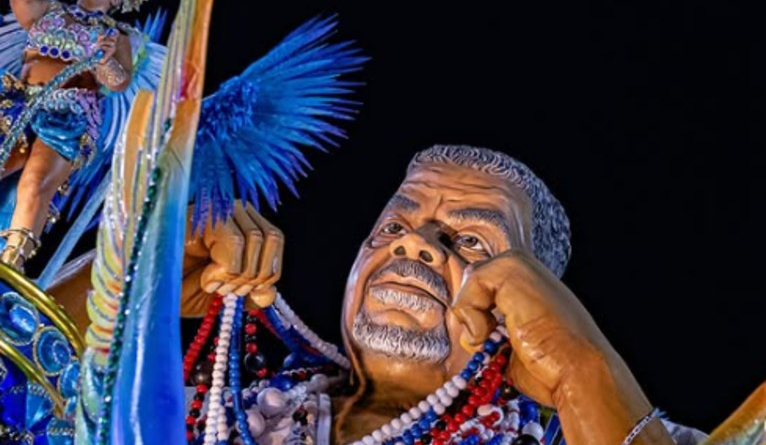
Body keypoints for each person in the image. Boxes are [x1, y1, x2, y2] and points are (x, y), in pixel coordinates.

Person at [51, 144, 730, 445]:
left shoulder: (586, 428)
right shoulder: (213, 405)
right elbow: (23, 395)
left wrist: (583, 370)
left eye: (467, 241)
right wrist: (137, 279)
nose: (414, 245)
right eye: (397, 225)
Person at [0, 0, 137, 271]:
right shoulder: (47, 9)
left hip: (70, 116)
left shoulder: (117, 36)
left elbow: (119, 82)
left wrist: (106, 61)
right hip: (21, 104)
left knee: (36, 182)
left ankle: (11, 265)